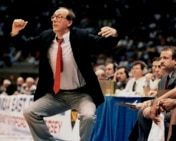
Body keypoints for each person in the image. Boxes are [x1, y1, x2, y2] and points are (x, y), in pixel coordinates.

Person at [9, 7, 119, 141]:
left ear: (69, 22)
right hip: (56, 95)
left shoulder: (81, 36)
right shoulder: (46, 36)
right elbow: (26, 45)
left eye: (59, 17)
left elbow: (102, 44)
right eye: (53, 17)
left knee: (89, 116)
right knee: (30, 112)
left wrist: (114, 35)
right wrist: (15, 33)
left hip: (82, 94)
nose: (55, 19)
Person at [130, 46, 176, 141]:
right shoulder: (164, 78)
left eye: (165, 58)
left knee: (145, 113)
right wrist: (149, 103)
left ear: (175, 61)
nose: (161, 61)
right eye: (161, 58)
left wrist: (153, 106)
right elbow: (161, 96)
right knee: (142, 112)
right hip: (165, 109)